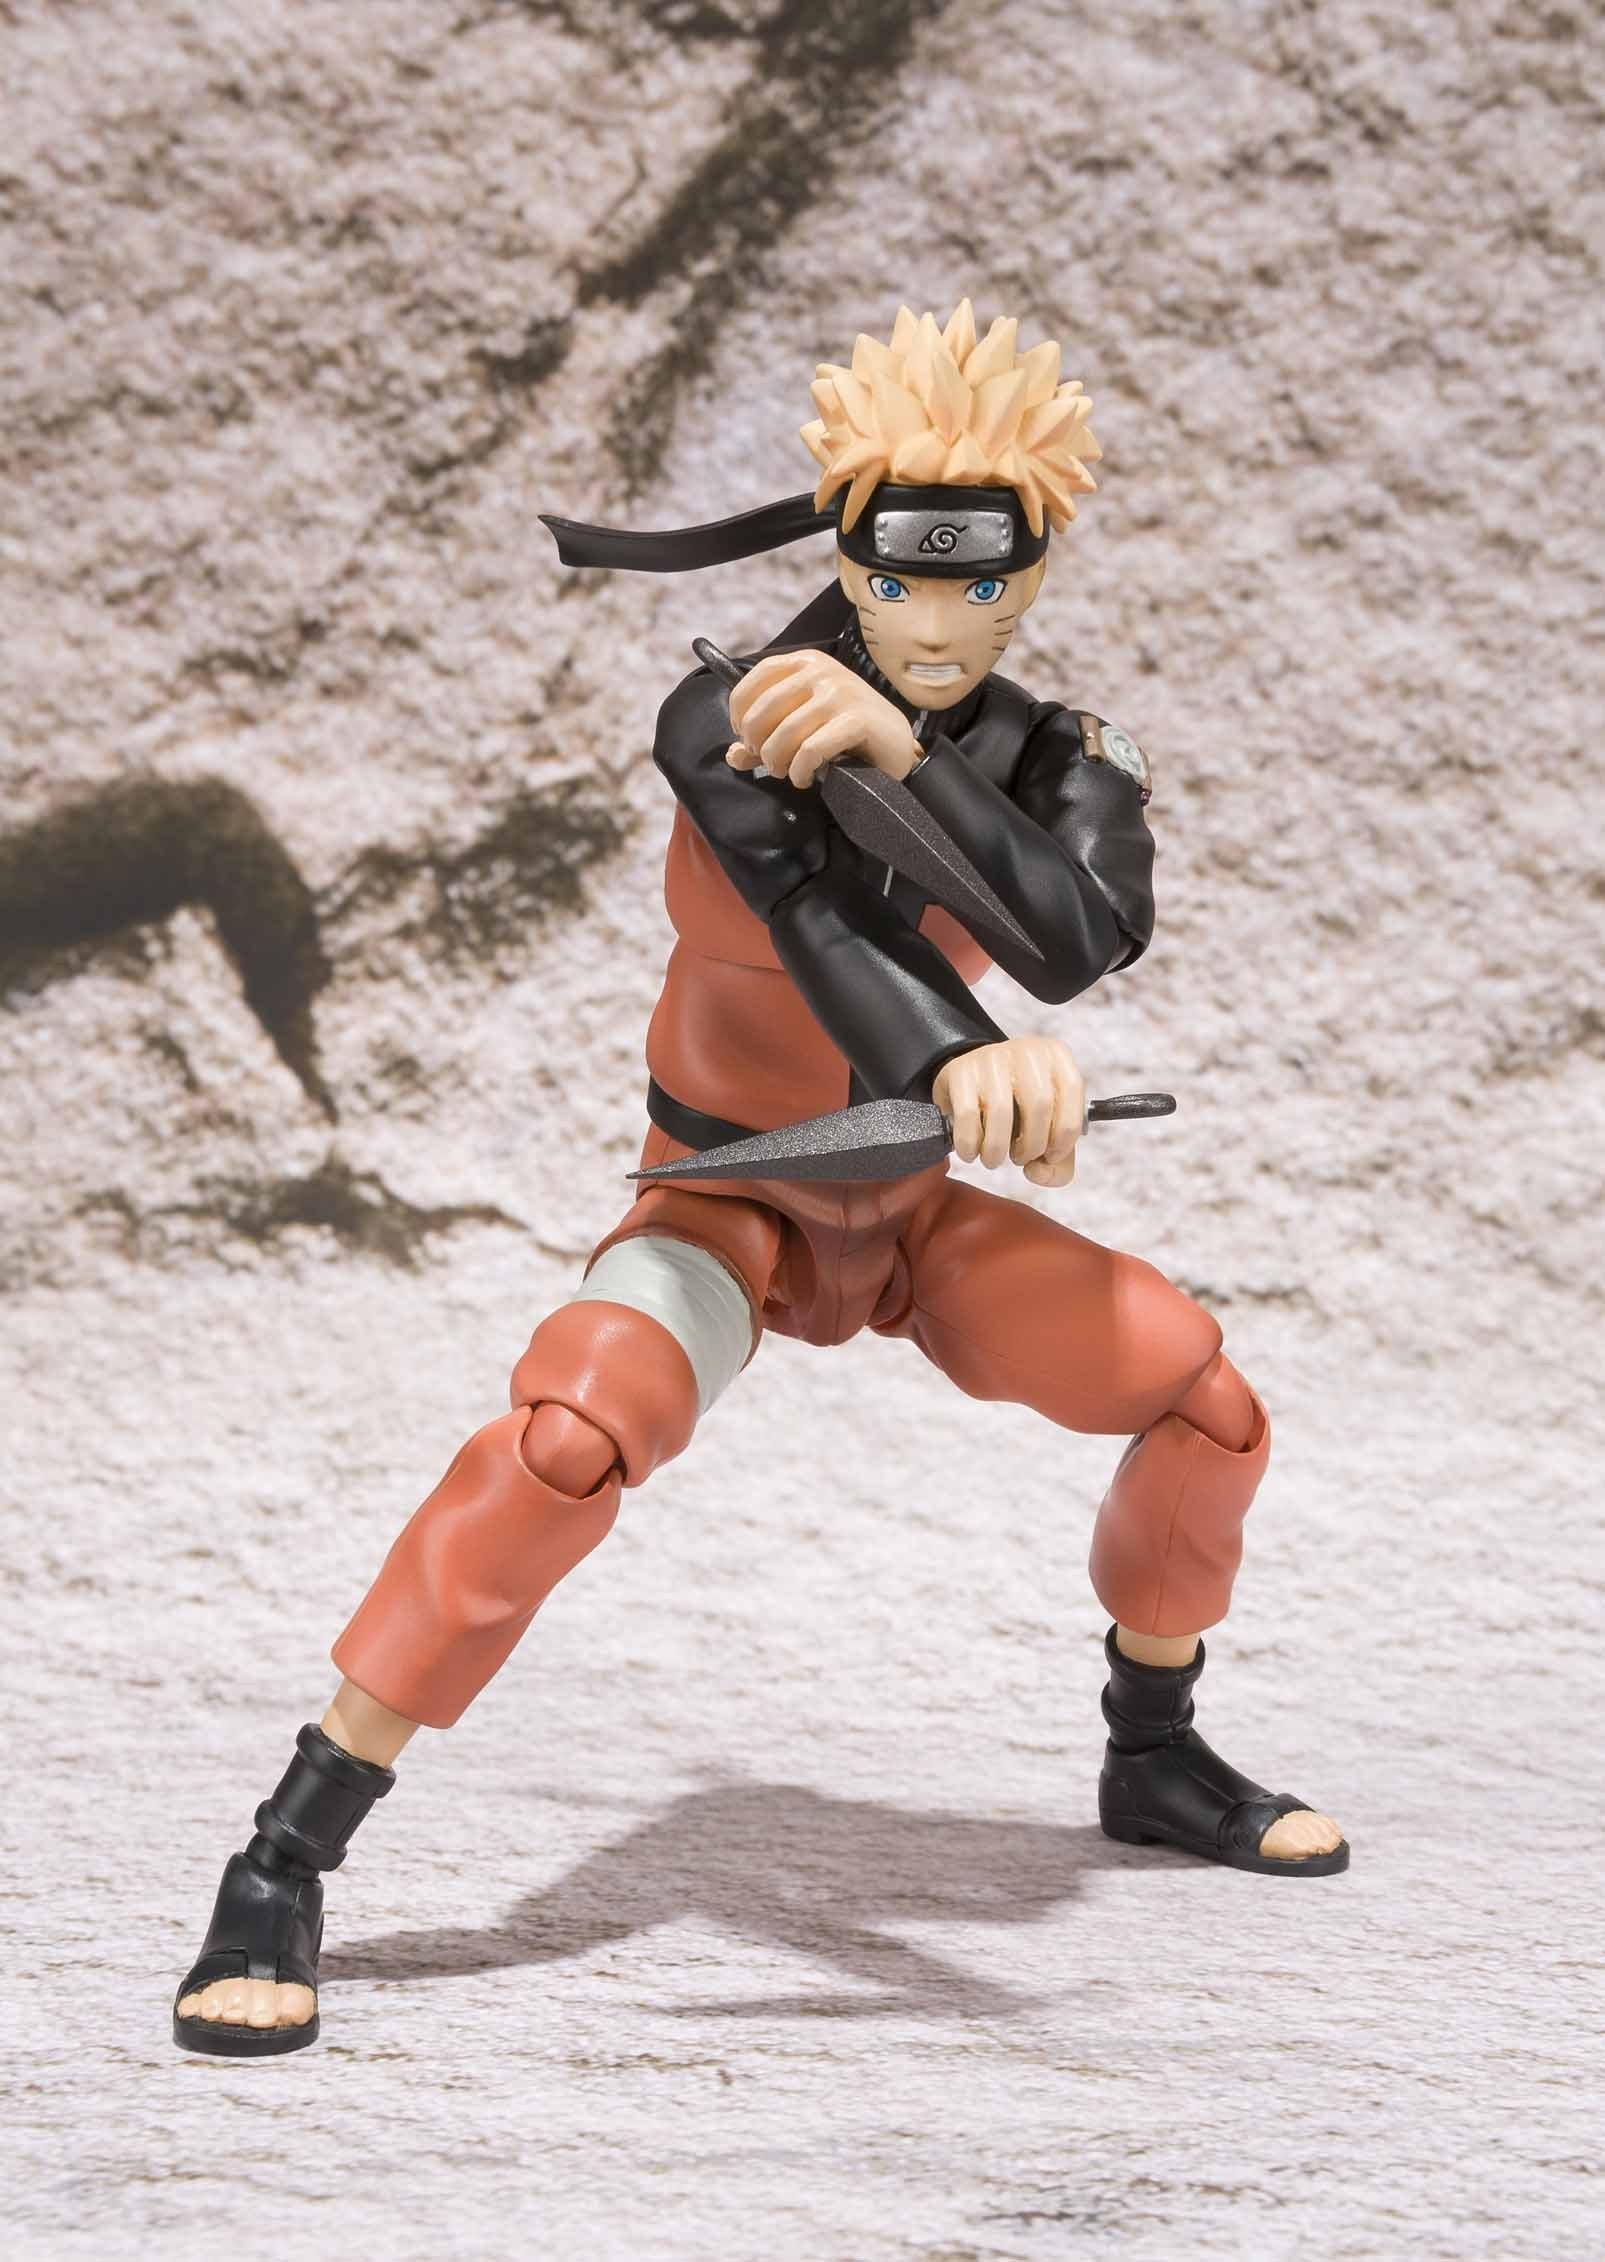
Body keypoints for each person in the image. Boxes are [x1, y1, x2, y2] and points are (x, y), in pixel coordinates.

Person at [173, 302, 1347, 2059]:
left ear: (1034, 568)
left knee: (1204, 1399)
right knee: (565, 1438)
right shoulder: (725, 711)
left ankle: (1154, 1752)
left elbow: (1081, 935)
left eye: (983, 581)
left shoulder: (1059, 749)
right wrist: (953, 1053)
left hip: (912, 1214)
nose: (937, 622)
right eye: (899, 579)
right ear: (844, 552)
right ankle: (282, 1853)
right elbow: (811, 921)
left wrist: (909, 755)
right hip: (729, 1197)